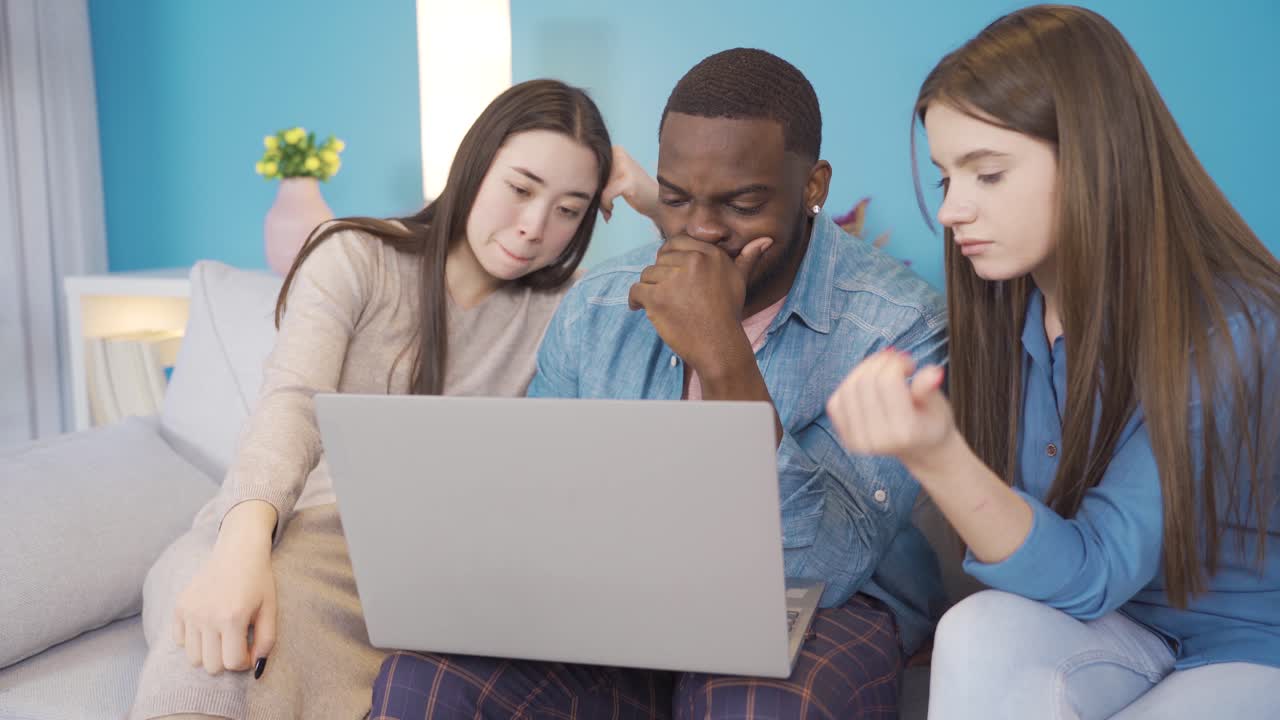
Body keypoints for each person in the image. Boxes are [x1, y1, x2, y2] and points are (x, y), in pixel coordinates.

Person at [371, 48, 947, 719]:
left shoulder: (897, 324)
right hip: (622, 612)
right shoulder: (600, 305)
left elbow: (828, 566)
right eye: (675, 198)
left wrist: (723, 354)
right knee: (425, 677)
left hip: (820, 610)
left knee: (754, 705)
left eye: (741, 202)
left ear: (813, 186)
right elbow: (543, 510)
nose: (699, 229)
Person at [826, 5, 1280, 719]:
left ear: (1098, 158)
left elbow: (1095, 566)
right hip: (1109, 632)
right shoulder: (1003, 315)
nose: (950, 211)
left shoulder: (1236, 326)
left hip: (1244, 649)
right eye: (947, 178)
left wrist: (937, 455)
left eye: (989, 174)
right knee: (975, 628)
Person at [128, 79, 616, 720]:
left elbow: (676, 311)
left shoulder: (571, 308)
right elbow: (291, 403)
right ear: (472, 166)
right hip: (277, 530)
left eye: (569, 209)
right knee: (212, 647)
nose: (533, 228)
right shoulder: (356, 255)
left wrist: (651, 201)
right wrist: (242, 549)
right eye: (521, 189)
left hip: (428, 576)